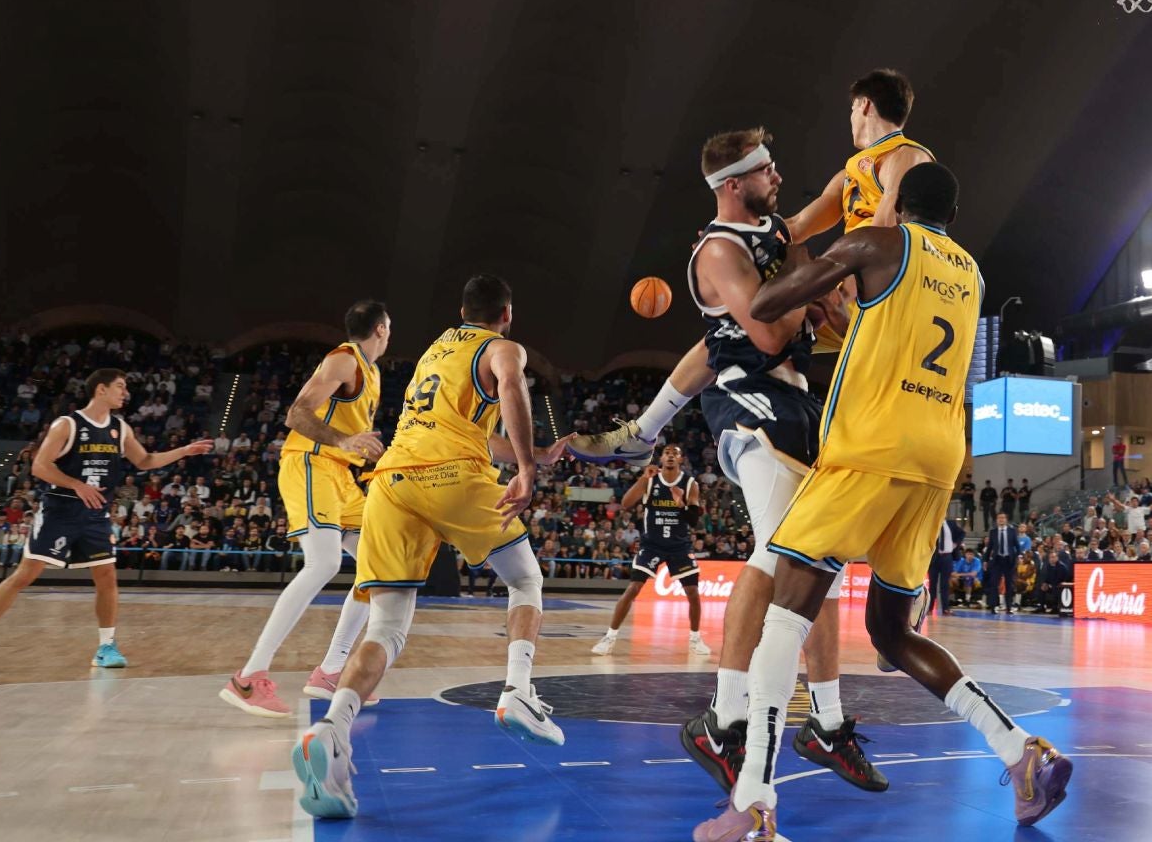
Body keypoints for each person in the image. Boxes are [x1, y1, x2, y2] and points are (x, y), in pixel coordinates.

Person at [695, 162, 1072, 841]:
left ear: (897, 203)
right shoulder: (970, 273)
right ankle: (1020, 751)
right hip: (939, 460)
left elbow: (767, 304)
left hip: (871, 447)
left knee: (787, 612)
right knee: (894, 633)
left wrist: (788, 248)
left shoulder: (877, 242)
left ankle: (753, 796)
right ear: (952, 218)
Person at [290, 275, 571, 820]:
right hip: (451, 477)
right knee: (525, 580)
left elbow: (462, 429)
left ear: (462, 311)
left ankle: (332, 729)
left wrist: (527, 449)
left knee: (386, 628)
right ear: (506, 313)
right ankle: (517, 691)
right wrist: (530, 468)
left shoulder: (434, 352)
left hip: (393, 481)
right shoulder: (503, 347)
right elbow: (511, 388)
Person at [569, 70, 934, 466]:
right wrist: (727, 238)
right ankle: (643, 433)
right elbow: (792, 229)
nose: (849, 117)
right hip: (849, 300)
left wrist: (825, 282)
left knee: (869, 419)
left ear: (864, 105)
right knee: (728, 333)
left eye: (850, 108)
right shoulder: (853, 171)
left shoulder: (908, 157)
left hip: (884, 308)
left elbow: (883, 238)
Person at [673, 129, 881, 797]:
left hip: (795, 404)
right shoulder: (720, 249)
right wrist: (809, 288)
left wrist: (881, 177)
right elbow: (764, 331)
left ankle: (826, 722)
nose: (778, 174)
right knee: (776, 553)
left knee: (817, 562)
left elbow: (829, 241)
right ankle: (724, 716)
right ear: (734, 183)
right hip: (746, 404)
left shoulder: (776, 240)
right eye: (766, 168)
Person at [220, 301, 391, 718]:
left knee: (381, 567)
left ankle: (331, 672)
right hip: (311, 464)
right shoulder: (342, 359)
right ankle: (248, 676)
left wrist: (362, 447)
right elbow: (297, 414)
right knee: (323, 564)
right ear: (382, 330)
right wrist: (344, 441)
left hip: (340, 477)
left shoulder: (372, 373)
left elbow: (346, 432)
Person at [0, 369, 212, 665]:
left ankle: (106, 647)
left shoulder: (120, 428)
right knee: (25, 575)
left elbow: (144, 460)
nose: (125, 393)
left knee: (107, 577)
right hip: (61, 510)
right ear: (101, 390)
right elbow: (40, 466)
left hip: (95, 514)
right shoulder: (67, 424)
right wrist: (77, 484)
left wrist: (183, 451)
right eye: (120, 387)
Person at [592, 444, 711, 658]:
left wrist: (680, 504)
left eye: (675, 453)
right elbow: (626, 503)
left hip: (679, 545)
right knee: (634, 588)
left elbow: (693, 521)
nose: (671, 456)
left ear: (681, 459)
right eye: (667, 453)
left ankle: (695, 639)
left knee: (693, 593)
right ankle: (609, 637)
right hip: (651, 544)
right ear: (662, 458)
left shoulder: (690, 484)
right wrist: (642, 479)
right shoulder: (650, 479)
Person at [985, 512, 1020, 613]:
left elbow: (1017, 546)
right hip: (997, 560)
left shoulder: (1012, 531)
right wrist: (986, 560)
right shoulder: (993, 532)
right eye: (999, 518)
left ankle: (1008, 607)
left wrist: (1017, 556)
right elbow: (989, 548)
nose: (1001, 519)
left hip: (1009, 560)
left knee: (1009, 584)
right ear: (996, 520)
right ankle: (994, 606)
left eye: (1003, 518)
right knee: (994, 584)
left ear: (1006, 520)